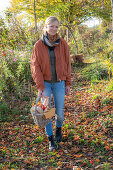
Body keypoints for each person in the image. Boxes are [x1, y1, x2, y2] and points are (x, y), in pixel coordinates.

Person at [31, 16, 71, 151]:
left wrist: (68, 83)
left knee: (59, 112)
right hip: (45, 84)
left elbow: (67, 64)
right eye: (51, 26)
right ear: (46, 27)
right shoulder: (38, 45)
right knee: (47, 112)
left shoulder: (63, 44)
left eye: (56, 26)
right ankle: (51, 139)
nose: (54, 29)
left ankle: (59, 129)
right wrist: (40, 86)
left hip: (60, 83)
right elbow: (35, 67)